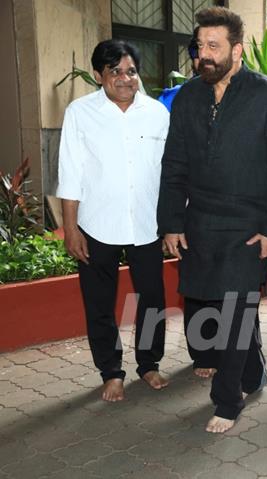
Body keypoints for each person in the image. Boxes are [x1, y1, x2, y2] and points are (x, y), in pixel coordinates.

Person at [157, 7, 267, 433]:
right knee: (208, 303)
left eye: (213, 46)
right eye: (199, 46)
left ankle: (228, 398)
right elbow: (174, 164)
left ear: (237, 50)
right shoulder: (187, 98)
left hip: (249, 225)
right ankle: (253, 374)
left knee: (236, 311)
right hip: (199, 222)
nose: (204, 55)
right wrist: (171, 222)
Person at [56, 39, 170, 402]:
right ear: (98, 75)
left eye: (131, 71)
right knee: (99, 303)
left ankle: (149, 364)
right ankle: (111, 371)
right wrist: (70, 228)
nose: (125, 79)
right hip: (97, 224)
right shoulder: (79, 113)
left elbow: (170, 173)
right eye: (115, 71)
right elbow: (70, 173)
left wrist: (173, 222)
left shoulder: (157, 114)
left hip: (147, 226)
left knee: (152, 298)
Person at [158, 27, 200, 111]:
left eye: (214, 47)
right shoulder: (172, 98)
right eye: (198, 50)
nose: (205, 56)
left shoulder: (232, 98)